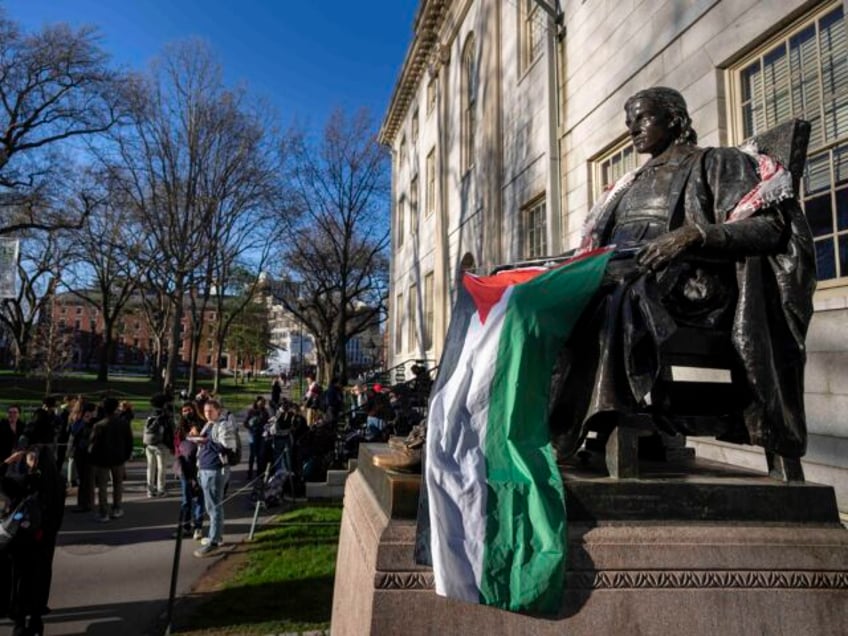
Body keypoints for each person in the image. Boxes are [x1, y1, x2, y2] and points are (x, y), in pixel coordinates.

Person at [548, 86, 816, 461]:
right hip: (626, 273)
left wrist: (693, 234)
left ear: (674, 118)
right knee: (549, 295)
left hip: (691, 287)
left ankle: (571, 429)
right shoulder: (628, 184)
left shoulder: (715, 161)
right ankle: (550, 428)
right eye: (629, 122)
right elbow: (595, 250)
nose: (632, 129)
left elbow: (771, 228)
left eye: (642, 118)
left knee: (613, 295)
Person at [2, 433, 65, 634]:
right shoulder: (58, 482)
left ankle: (20, 623)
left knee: (19, 580)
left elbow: (3, 483)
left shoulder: (25, 482)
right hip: (45, 540)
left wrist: (7, 462)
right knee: (40, 579)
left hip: (22, 541)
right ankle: (37, 620)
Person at [193, 399, 237, 557]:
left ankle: (214, 540)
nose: (207, 414)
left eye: (210, 411)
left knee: (214, 506)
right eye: (205, 411)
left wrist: (206, 441)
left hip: (215, 470)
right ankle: (216, 536)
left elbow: (228, 447)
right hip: (204, 469)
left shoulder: (223, 425)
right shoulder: (208, 425)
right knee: (211, 505)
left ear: (219, 411)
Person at [88, 398, 134, 522]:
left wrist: (92, 457)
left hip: (102, 459)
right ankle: (117, 508)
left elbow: (93, 445)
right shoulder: (123, 423)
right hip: (119, 458)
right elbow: (129, 441)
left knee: (102, 486)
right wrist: (126, 455)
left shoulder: (99, 425)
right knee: (117, 484)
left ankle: (104, 512)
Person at [174, 403, 205, 540]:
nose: (187, 412)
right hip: (184, 468)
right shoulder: (180, 429)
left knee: (199, 498)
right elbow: (176, 447)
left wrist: (198, 436)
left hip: (200, 467)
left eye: (189, 409)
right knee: (186, 500)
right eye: (184, 411)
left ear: (194, 410)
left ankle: (198, 527)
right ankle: (185, 527)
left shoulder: (204, 424)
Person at [143, 393, 175, 498]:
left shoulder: (151, 414)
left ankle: (150, 490)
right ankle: (161, 489)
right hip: (162, 444)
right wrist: (172, 445)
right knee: (161, 468)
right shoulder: (165, 416)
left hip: (149, 443)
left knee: (150, 467)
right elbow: (170, 430)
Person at [69, 402, 97, 513]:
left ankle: (87, 503)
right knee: (84, 479)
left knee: (88, 480)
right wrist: (84, 422)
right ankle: (84, 503)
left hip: (87, 453)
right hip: (81, 452)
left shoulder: (95, 422)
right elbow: (74, 432)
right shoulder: (80, 422)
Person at [243, 396, 270, 481]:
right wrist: (251, 429)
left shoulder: (265, 412)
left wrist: (266, 429)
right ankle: (250, 473)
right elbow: (245, 423)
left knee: (260, 455)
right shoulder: (251, 411)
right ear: (257, 402)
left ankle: (259, 473)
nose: (262, 404)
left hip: (261, 434)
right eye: (261, 402)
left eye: (263, 403)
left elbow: (268, 422)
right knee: (253, 454)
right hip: (253, 434)